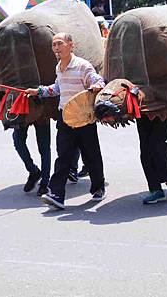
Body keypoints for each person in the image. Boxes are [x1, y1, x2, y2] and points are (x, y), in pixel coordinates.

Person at [25, 33, 106, 210]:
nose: (56, 48)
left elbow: (98, 80)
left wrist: (97, 86)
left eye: (59, 43)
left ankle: (98, 187)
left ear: (71, 45)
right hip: (65, 117)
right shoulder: (59, 68)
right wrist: (38, 91)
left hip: (84, 117)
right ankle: (56, 194)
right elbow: (57, 88)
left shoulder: (82, 65)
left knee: (91, 155)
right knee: (63, 156)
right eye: (54, 45)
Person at [136, 116, 167, 204]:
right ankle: (155, 190)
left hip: (160, 109)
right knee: (145, 151)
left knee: (158, 145)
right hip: (142, 112)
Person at [12, 119, 51, 196]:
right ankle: (34, 171)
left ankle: (44, 182)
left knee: (44, 147)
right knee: (18, 142)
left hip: (42, 112)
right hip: (22, 111)